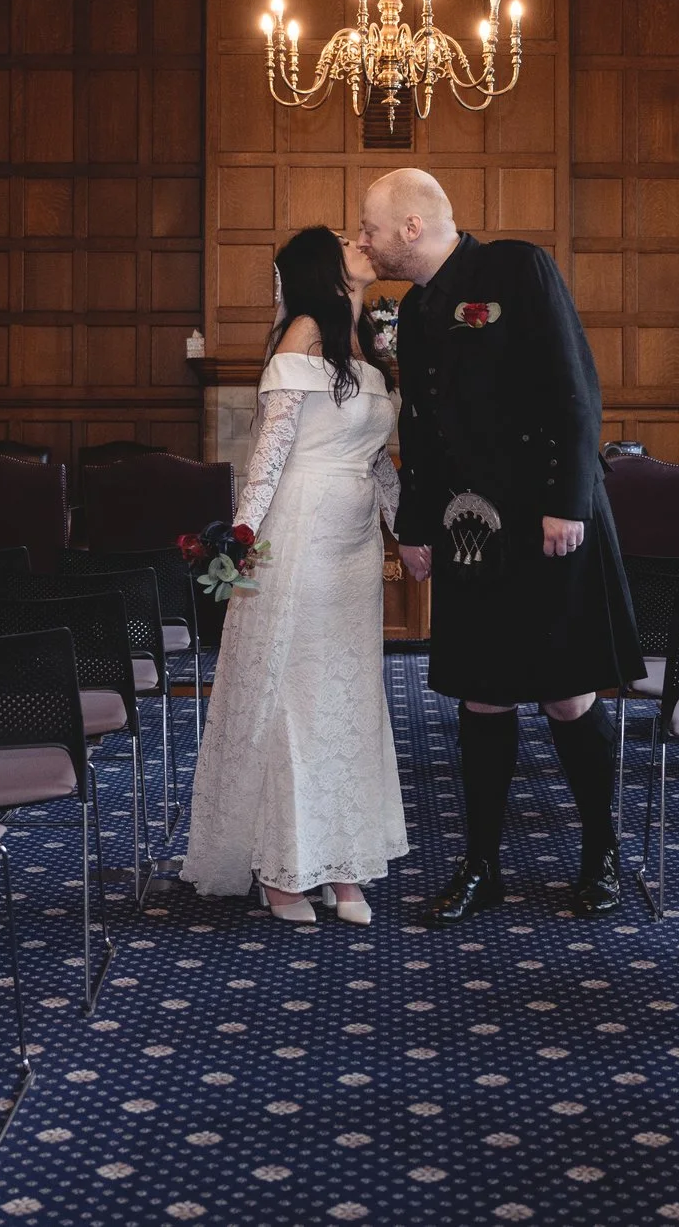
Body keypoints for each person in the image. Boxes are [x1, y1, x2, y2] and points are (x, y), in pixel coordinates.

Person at [357, 168, 642, 923]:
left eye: (372, 228)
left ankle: (601, 854)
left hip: (551, 520)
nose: (366, 240)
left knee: (565, 691)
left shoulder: (517, 266)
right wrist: (414, 526)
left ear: (412, 226)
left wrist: (567, 501)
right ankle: (482, 863)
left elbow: (576, 388)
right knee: (482, 694)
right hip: (469, 530)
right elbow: (418, 431)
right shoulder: (413, 310)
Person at [178, 226, 410, 924]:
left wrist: (409, 531)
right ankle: (285, 869)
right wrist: (242, 539)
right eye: (346, 238)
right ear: (319, 266)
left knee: (348, 696)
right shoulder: (304, 331)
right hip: (300, 531)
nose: (360, 240)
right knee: (296, 698)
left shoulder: (364, 338)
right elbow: (271, 451)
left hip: (353, 544)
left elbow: (373, 458)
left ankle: (340, 862)